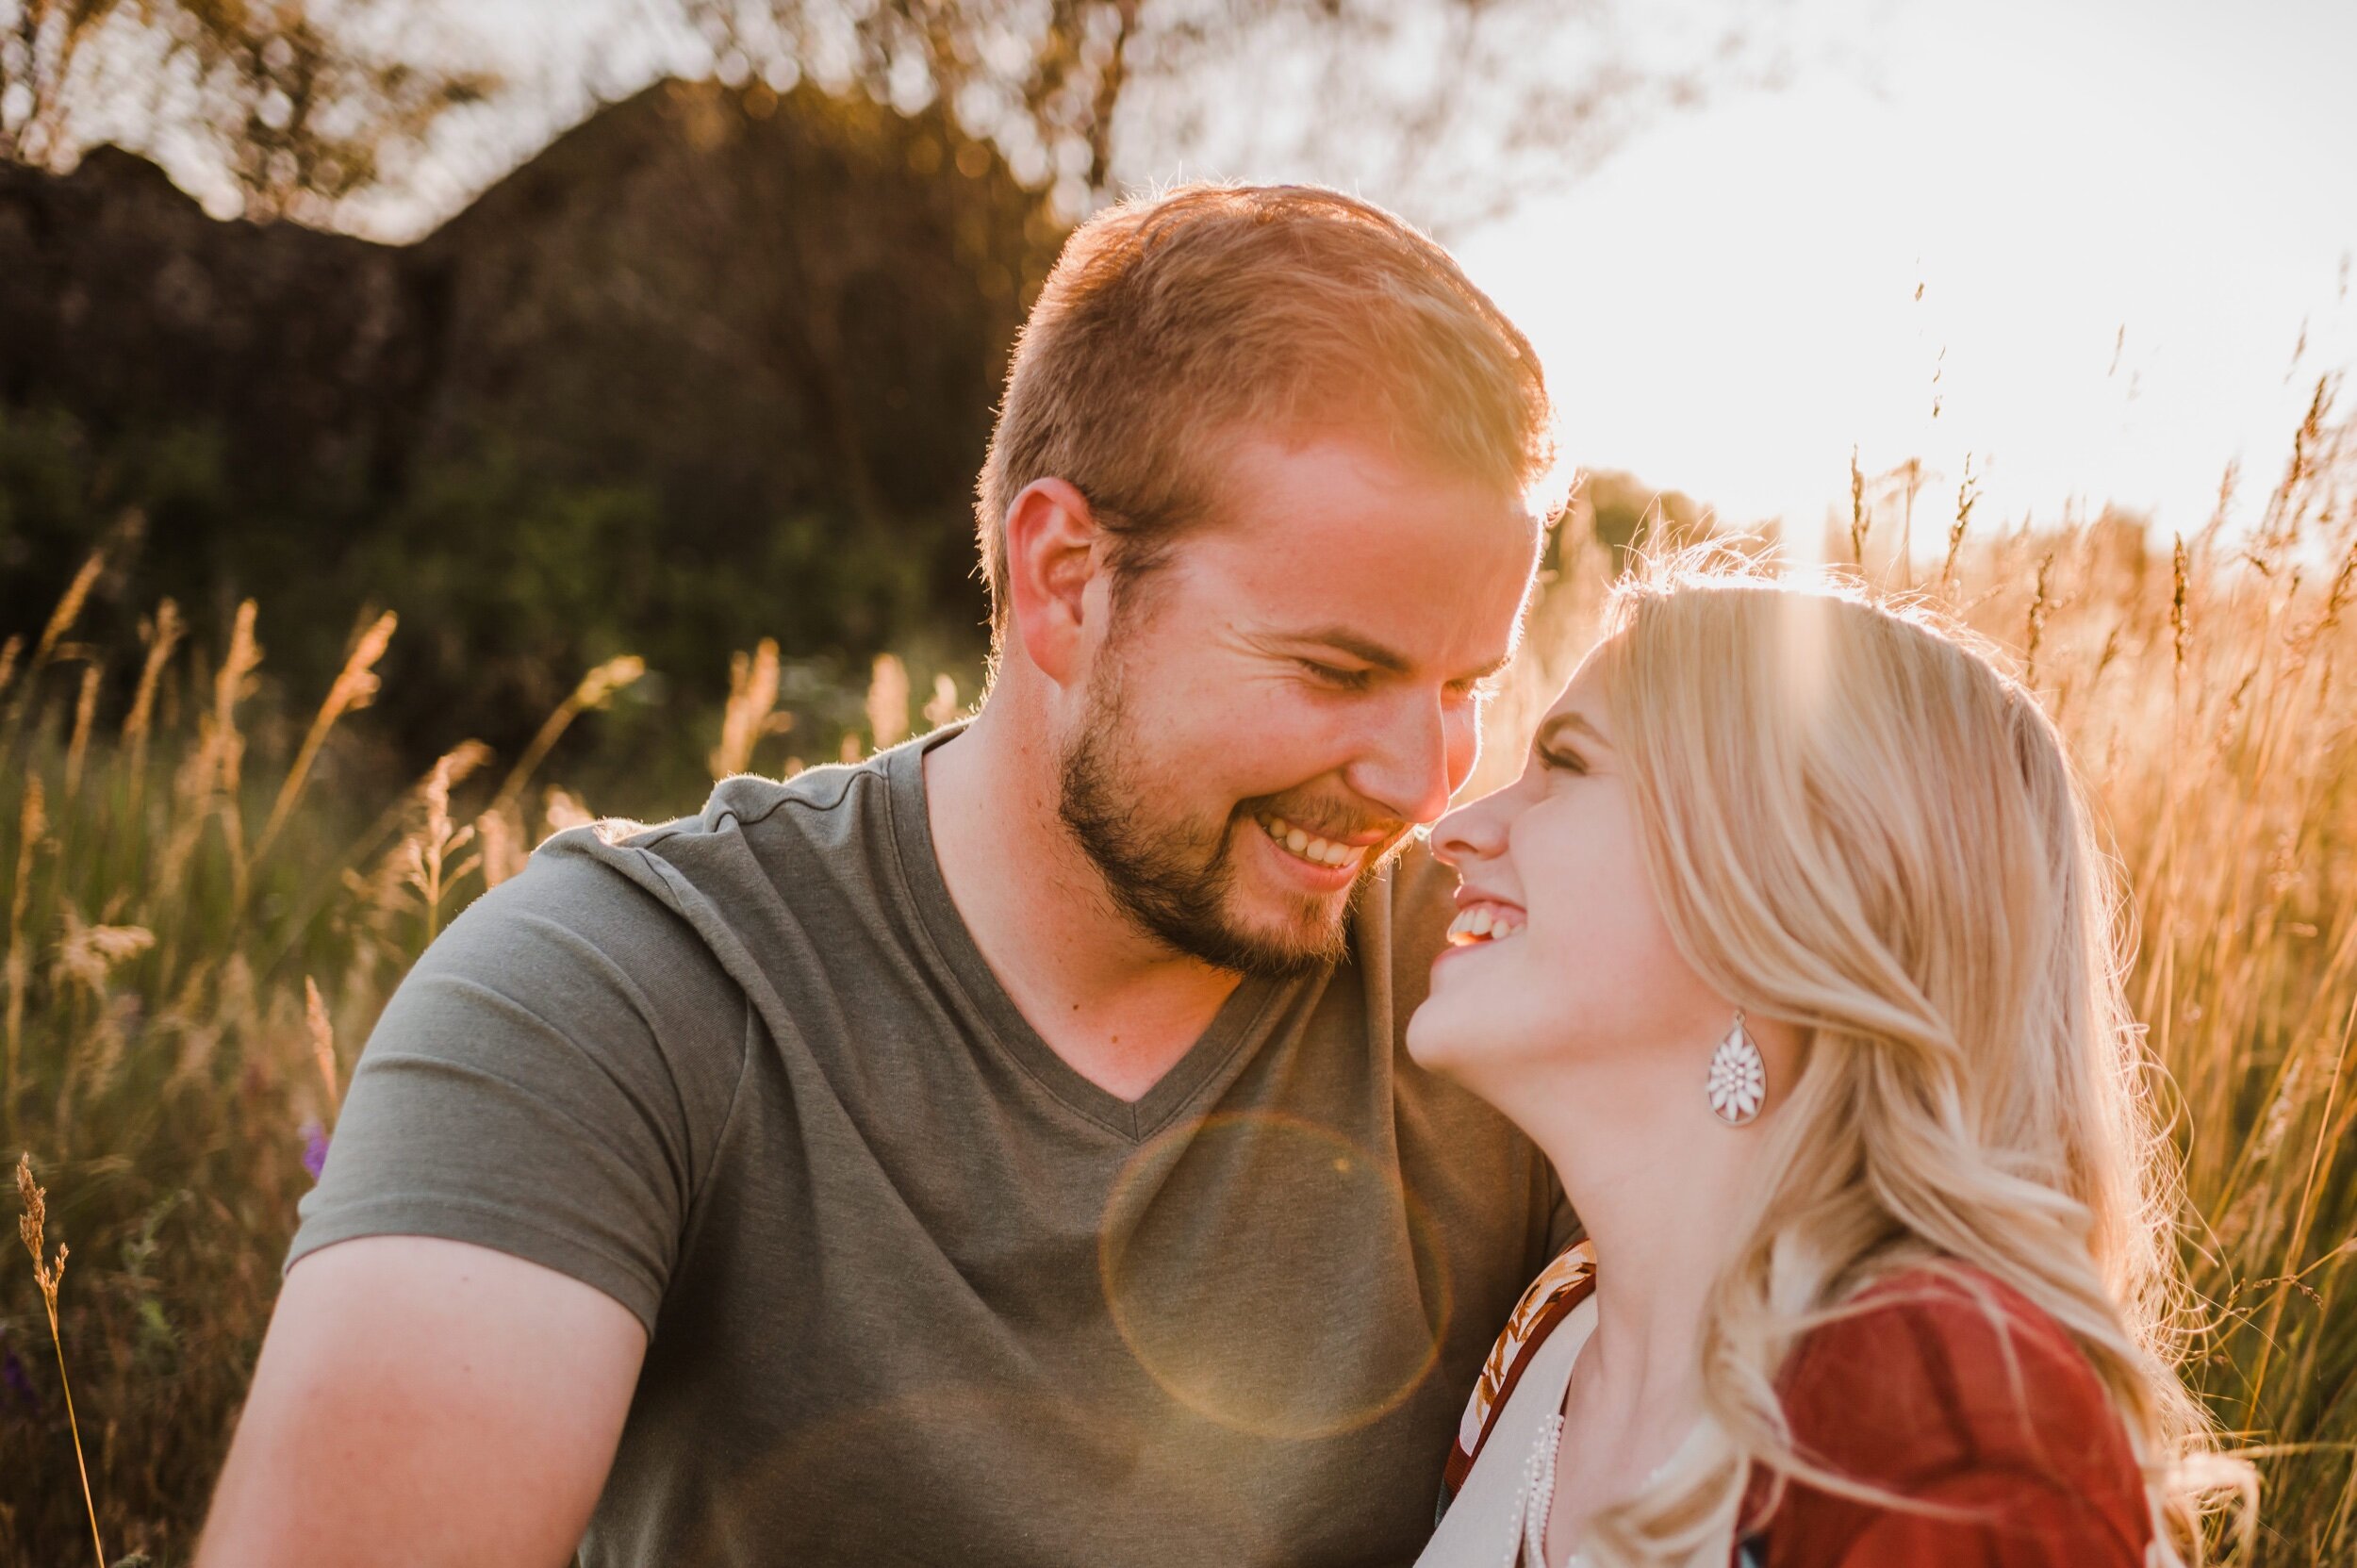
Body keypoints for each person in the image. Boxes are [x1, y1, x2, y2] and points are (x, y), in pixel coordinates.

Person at [196, 183, 1577, 1567]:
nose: (1424, 780)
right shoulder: (617, 994)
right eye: (1340, 670)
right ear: (1064, 578)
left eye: (1468, 684)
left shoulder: (1504, 987)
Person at [1407, 550, 2246, 1567]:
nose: (1454, 829)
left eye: (1569, 764)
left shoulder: (1944, 1410)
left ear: (1785, 895)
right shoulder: (1551, 1338)